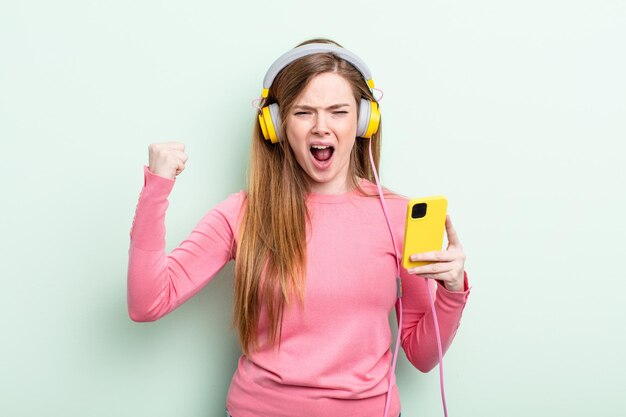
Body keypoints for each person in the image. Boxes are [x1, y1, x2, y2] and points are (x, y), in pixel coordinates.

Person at [127, 38, 471, 417]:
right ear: (276, 125)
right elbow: (147, 303)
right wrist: (156, 190)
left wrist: (452, 291)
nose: (321, 128)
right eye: (304, 112)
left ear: (362, 122)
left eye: (338, 112)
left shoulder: (398, 216)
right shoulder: (242, 213)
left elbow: (421, 357)